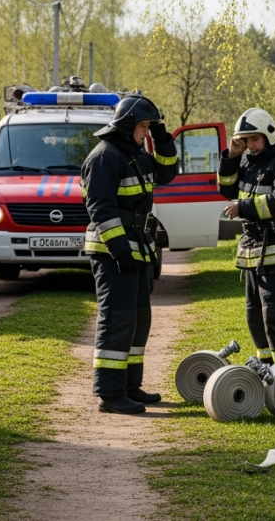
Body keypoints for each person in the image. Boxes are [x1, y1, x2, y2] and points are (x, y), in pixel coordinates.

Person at [81, 95, 178, 414]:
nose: (146, 132)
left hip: (135, 247)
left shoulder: (135, 154)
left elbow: (166, 174)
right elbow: (101, 209)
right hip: (114, 250)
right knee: (118, 317)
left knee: (138, 318)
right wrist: (119, 250)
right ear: (127, 125)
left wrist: (162, 140)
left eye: (149, 128)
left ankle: (129, 386)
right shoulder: (104, 157)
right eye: (144, 127)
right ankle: (110, 393)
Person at [217, 108, 275, 382]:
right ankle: (266, 370)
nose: (251, 145)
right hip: (254, 251)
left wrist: (243, 207)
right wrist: (231, 157)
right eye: (246, 140)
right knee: (255, 316)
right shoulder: (250, 162)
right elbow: (226, 188)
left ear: (269, 134)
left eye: (254, 139)